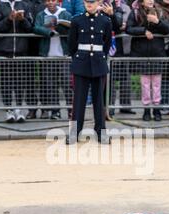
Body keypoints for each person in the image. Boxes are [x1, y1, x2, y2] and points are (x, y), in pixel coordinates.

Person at [67, 0, 112, 144]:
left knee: (99, 102)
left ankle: (101, 134)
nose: (89, 4)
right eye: (87, 1)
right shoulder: (76, 20)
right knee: (78, 102)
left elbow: (107, 44)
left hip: (98, 63)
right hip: (81, 63)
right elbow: (72, 45)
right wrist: (78, 59)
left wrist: (99, 57)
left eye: (92, 2)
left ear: (98, 2)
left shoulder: (105, 21)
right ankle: (74, 134)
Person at [127, 0, 169, 121]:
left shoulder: (160, 11)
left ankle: (157, 109)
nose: (151, 1)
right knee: (145, 84)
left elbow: (167, 29)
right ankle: (146, 110)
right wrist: (143, 31)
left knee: (157, 84)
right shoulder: (135, 12)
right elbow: (129, 29)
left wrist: (157, 21)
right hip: (142, 54)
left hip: (157, 53)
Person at [0, 0, 34, 123]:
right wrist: (9, 19)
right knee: (6, 82)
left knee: (20, 82)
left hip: (21, 50)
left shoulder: (25, 5)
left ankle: (19, 109)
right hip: (5, 50)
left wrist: (22, 20)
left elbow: (30, 27)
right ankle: (8, 110)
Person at [33, 0, 73, 119]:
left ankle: (71, 109)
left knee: (67, 84)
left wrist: (61, 28)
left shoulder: (65, 14)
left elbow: (72, 28)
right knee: (50, 85)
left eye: (53, 0)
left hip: (63, 55)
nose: (51, 2)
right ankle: (55, 111)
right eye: (48, 0)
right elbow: (36, 27)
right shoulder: (41, 14)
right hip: (48, 55)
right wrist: (49, 32)